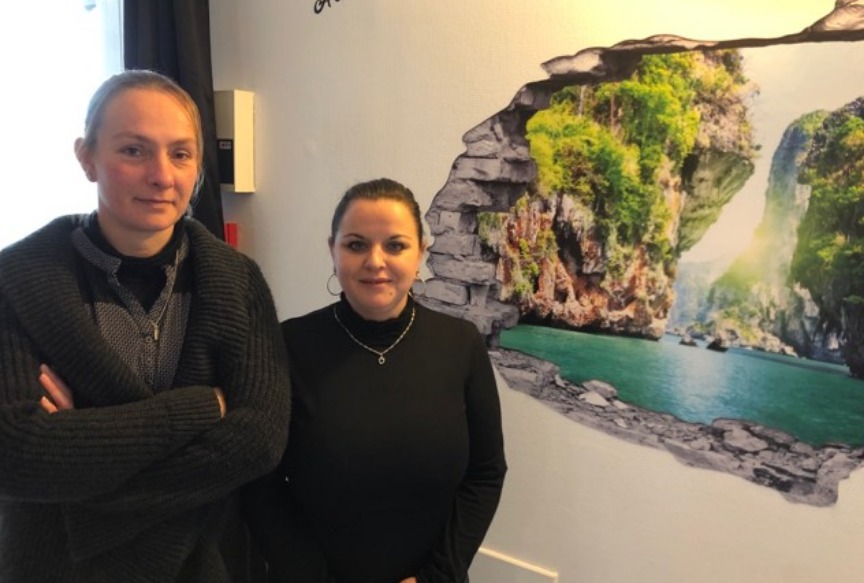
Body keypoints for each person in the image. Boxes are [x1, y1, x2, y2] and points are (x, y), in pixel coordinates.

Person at [0, 69, 291, 582]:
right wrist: (202, 407)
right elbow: (17, 455)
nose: (162, 175)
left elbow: (259, 441)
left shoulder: (237, 282)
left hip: (197, 565)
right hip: (56, 567)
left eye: (180, 154)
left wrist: (84, 448)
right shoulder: (17, 281)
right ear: (87, 158)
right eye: (133, 150)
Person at [243, 178, 507, 583]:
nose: (375, 261)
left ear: (421, 253)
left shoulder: (461, 344)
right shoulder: (286, 345)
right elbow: (261, 483)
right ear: (332, 250)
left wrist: (437, 576)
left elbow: (485, 472)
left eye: (395, 245)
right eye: (356, 245)